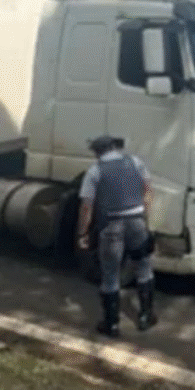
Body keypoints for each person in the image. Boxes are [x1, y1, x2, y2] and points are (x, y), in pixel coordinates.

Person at [76, 135, 157, 338]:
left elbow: (86, 207)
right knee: (143, 268)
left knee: (110, 273)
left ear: (97, 152)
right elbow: (148, 190)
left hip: (111, 225)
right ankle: (146, 316)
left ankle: (111, 324)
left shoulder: (95, 171)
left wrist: (83, 232)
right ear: (114, 147)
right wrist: (145, 219)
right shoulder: (135, 162)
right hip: (137, 222)